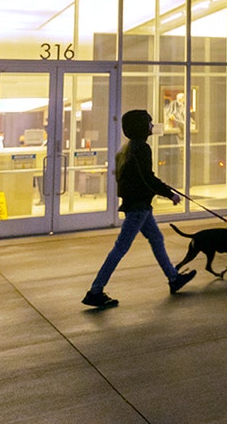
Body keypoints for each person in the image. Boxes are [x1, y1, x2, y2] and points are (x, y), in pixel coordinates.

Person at [82, 110, 195, 308]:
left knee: (156, 238)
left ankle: (173, 277)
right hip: (139, 206)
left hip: (137, 204)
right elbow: (147, 177)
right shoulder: (141, 148)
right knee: (121, 247)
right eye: (149, 123)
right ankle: (95, 291)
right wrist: (169, 194)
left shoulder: (126, 149)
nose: (152, 126)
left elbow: (128, 178)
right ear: (141, 126)